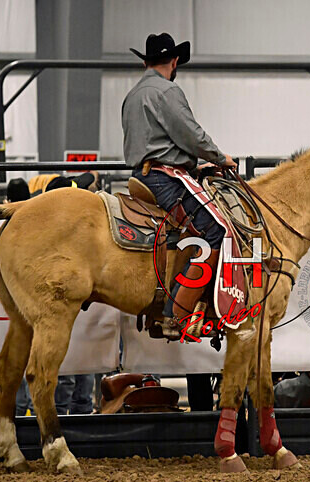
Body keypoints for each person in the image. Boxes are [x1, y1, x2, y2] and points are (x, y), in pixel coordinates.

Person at [122, 32, 237, 333]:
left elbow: (155, 141)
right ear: (173, 62)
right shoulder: (168, 92)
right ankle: (178, 314)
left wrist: (195, 165)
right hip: (165, 179)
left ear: (145, 62)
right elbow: (190, 134)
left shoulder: (133, 94)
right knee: (217, 231)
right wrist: (220, 157)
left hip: (142, 175)